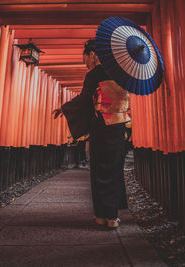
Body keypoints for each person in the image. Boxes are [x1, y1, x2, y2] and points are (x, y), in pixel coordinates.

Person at [53, 39, 130, 228]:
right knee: (115, 169)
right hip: (119, 125)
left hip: (102, 125)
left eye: (85, 58)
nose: (84, 63)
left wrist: (64, 108)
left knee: (100, 170)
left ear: (93, 55)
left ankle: (102, 216)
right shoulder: (122, 72)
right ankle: (112, 217)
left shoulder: (94, 74)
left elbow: (85, 99)